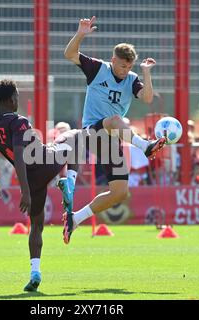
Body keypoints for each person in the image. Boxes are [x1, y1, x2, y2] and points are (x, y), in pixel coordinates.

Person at [60, 16, 166, 243]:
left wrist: (146, 73)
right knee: (116, 118)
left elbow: (147, 98)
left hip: (112, 139)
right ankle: (145, 146)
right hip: (92, 131)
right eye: (121, 65)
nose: (125, 70)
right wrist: (80, 34)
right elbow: (69, 54)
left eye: (129, 66)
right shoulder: (98, 68)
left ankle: (75, 219)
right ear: (113, 60)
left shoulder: (133, 79)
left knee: (119, 192)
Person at [0, 79, 81, 292]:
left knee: (36, 226)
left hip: (31, 180)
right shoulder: (19, 121)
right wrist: (24, 193)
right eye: (17, 98)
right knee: (73, 144)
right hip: (44, 164)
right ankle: (69, 184)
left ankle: (35, 272)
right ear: (13, 99)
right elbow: (21, 156)